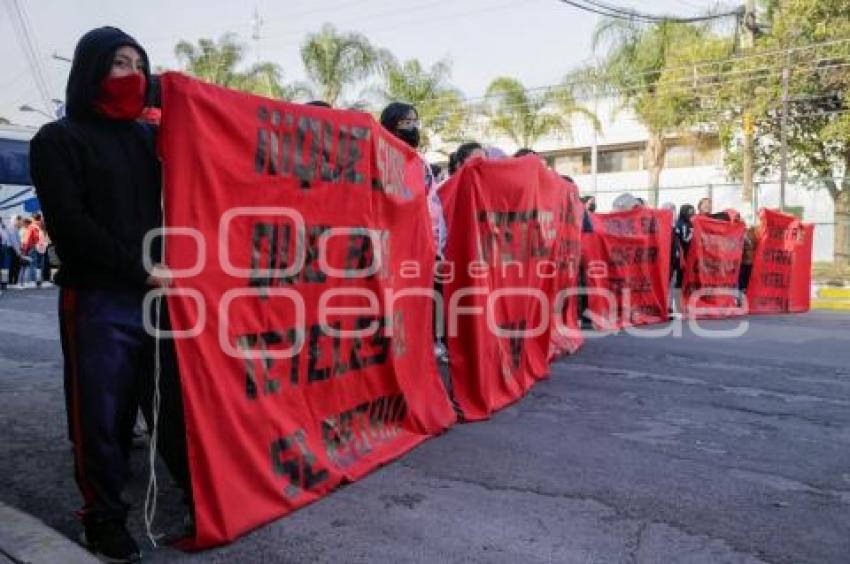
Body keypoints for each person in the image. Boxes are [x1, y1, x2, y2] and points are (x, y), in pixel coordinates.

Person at [29, 27, 190, 562]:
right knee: (101, 415)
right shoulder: (58, 139)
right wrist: (140, 269)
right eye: (119, 63)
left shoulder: (152, 140)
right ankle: (102, 519)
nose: (133, 73)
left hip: (157, 296)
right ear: (92, 69)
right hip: (99, 297)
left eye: (138, 63)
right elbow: (70, 225)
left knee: (172, 407)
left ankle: (200, 495)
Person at [379, 102, 448, 364]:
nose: (413, 127)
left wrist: (437, 245)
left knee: (420, 303)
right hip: (397, 248)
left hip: (425, 248)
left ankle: (421, 350)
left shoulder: (422, 163)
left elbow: (432, 205)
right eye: (407, 122)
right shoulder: (383, 157)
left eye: (415, 122)